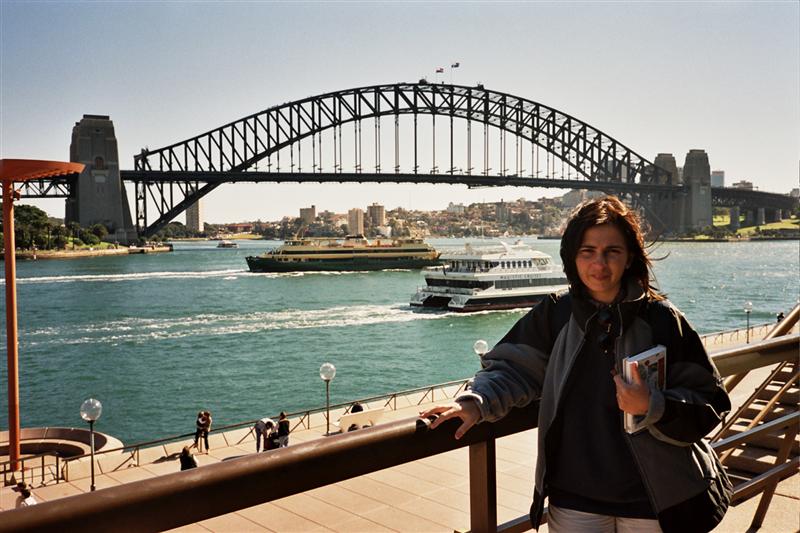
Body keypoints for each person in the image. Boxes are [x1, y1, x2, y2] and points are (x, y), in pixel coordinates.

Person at [421, 196, 732, 533]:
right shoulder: (555, 314)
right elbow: (512, 369)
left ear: (629, 258)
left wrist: (652, 405)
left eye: (612, 251)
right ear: (572, 256)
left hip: (653, 502)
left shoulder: (663, 320)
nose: (599, 263)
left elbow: (711, 402)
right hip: (574, 499)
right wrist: (474, 403)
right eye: (588, 251)